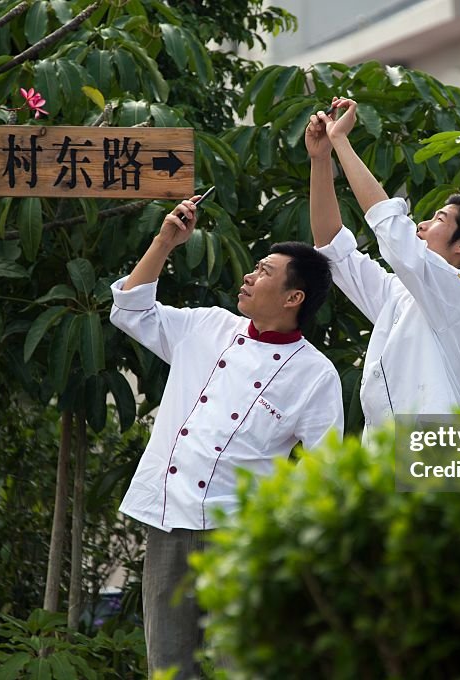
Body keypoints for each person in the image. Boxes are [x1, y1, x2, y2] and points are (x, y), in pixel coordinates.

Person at [108, 196, 344, 677]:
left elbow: (326, 470)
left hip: (240, 534)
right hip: (170, 519)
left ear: (293, 297)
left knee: (245, 666)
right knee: (169, 665)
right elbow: (131, 308)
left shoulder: (316, 375)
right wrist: (164, 241)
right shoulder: (207, 325)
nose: (249, 277)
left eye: (263, 271)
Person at [305, 97, 460, 430]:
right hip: (383, 453)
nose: (422, 225)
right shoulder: (400, 292)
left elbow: (395, 234)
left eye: (438, 219)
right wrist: (321, 158)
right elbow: (332, 247)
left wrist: (341, 141)